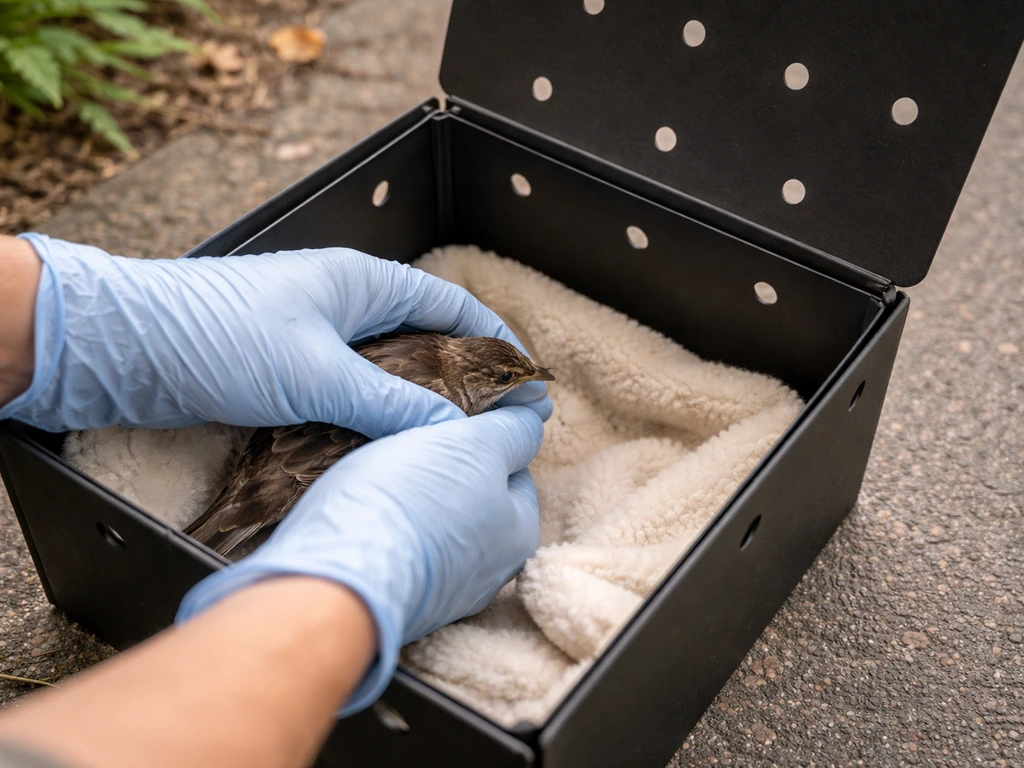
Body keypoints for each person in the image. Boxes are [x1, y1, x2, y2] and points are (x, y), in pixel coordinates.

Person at [0, 233, 552, 768]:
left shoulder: (426, 348)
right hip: (293, 467)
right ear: (473, 372)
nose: (515, 385)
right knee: (233, 525)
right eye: (503, 378)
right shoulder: (440, 389)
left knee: (225, 527)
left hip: (277, 440)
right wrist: (359, 578)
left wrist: (80, 322)